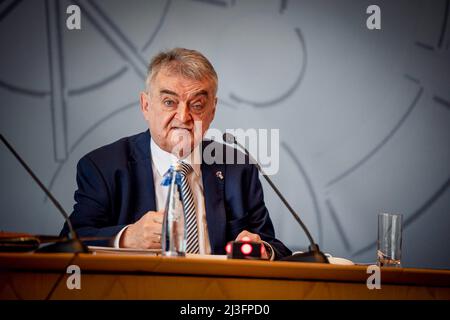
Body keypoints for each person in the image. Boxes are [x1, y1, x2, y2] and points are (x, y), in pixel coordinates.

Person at [61, 48, 291, 260]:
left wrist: (261, 250)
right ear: (146, 106)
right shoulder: (104, 167)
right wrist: (127, 237)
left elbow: (273, 248)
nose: (183, 116)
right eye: (169, 102)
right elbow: (68, 242)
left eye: (197, 105)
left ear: (213, 110)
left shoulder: (238, 168)